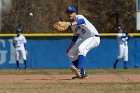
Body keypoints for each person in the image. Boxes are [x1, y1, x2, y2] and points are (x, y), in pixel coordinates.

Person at [66, 6, 100, 79]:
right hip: (85, 39)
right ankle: (82, 73)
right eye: (68, 12)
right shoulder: (73, 26)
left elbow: (82, 21)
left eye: (71, 12)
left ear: (75, 13)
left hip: (93, 37)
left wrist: (71, 24)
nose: (69, 14)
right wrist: (69, 48)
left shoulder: (79, 17)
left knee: (82, 49)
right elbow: (75, 37)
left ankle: (78, 68)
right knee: (70, 54)